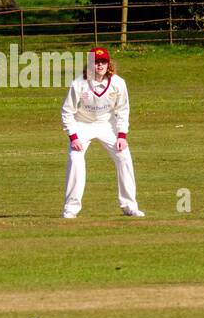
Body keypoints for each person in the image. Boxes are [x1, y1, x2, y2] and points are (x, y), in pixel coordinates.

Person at [60, 46, 144, 219]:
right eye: (96, 62)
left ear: (108, 63)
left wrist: (122, 135)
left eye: (103, 62)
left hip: (107, 124)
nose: (100, 65)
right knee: (75, 159)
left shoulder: (118, 83)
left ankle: (129, 205)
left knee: (124, 157)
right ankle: (71, 208)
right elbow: (67, 111)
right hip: (82, 124)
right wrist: (73, 137)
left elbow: (123, 110)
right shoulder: (79, 84)